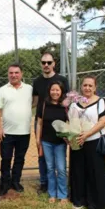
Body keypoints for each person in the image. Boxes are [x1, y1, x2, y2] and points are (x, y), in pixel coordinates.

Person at [69, 76, 105, 209]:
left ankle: (94, 202)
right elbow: (70, 120)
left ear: (95, 87)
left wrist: (87, 134)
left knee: (94, 172)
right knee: (78, 171)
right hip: (77, 142)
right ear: (81, 87)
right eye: (85, 85)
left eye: (90, 86)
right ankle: (78, 199)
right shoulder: (75, 102)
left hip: (94, 141)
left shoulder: (100, 101)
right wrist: (71, 135)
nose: (87, 88)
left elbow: (103, 120)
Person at [32, 53, 69, 194]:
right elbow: (35, 102)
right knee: (42, 152)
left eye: (49, 62)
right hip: (42, 119)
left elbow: (67, 100)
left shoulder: (62, 80)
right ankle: (44, 183)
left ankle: (61, 186)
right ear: (41, 64)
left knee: (60, 159)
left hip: (59, 120)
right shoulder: (37, 81)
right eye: (43, 62)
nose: (46, 65)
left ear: (54, 63)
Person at [0, 63, 33, 196]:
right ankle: (5, 183)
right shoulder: (2, 90)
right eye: (11, 73)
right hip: (7, 132)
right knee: (5, 158)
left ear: (21, 74)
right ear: (8, 74)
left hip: (24, 132)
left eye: (16, 72)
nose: (14, 75)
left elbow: (34, 102)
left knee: (19, 159)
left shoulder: (29, 89)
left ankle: (15, 181)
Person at [36, 81, 68, 204]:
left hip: (60, 142)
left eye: (57, 90)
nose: (55, 92)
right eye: (53, 90)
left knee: (61, 169)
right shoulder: (44, 105)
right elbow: (39, 123)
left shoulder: (65, 106)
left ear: (61, 92)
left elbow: (70, 122)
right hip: (46, 142)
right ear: (49, 91)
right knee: (50, 168)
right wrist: (38, 140)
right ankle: (52, 193)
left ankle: (63, 194)